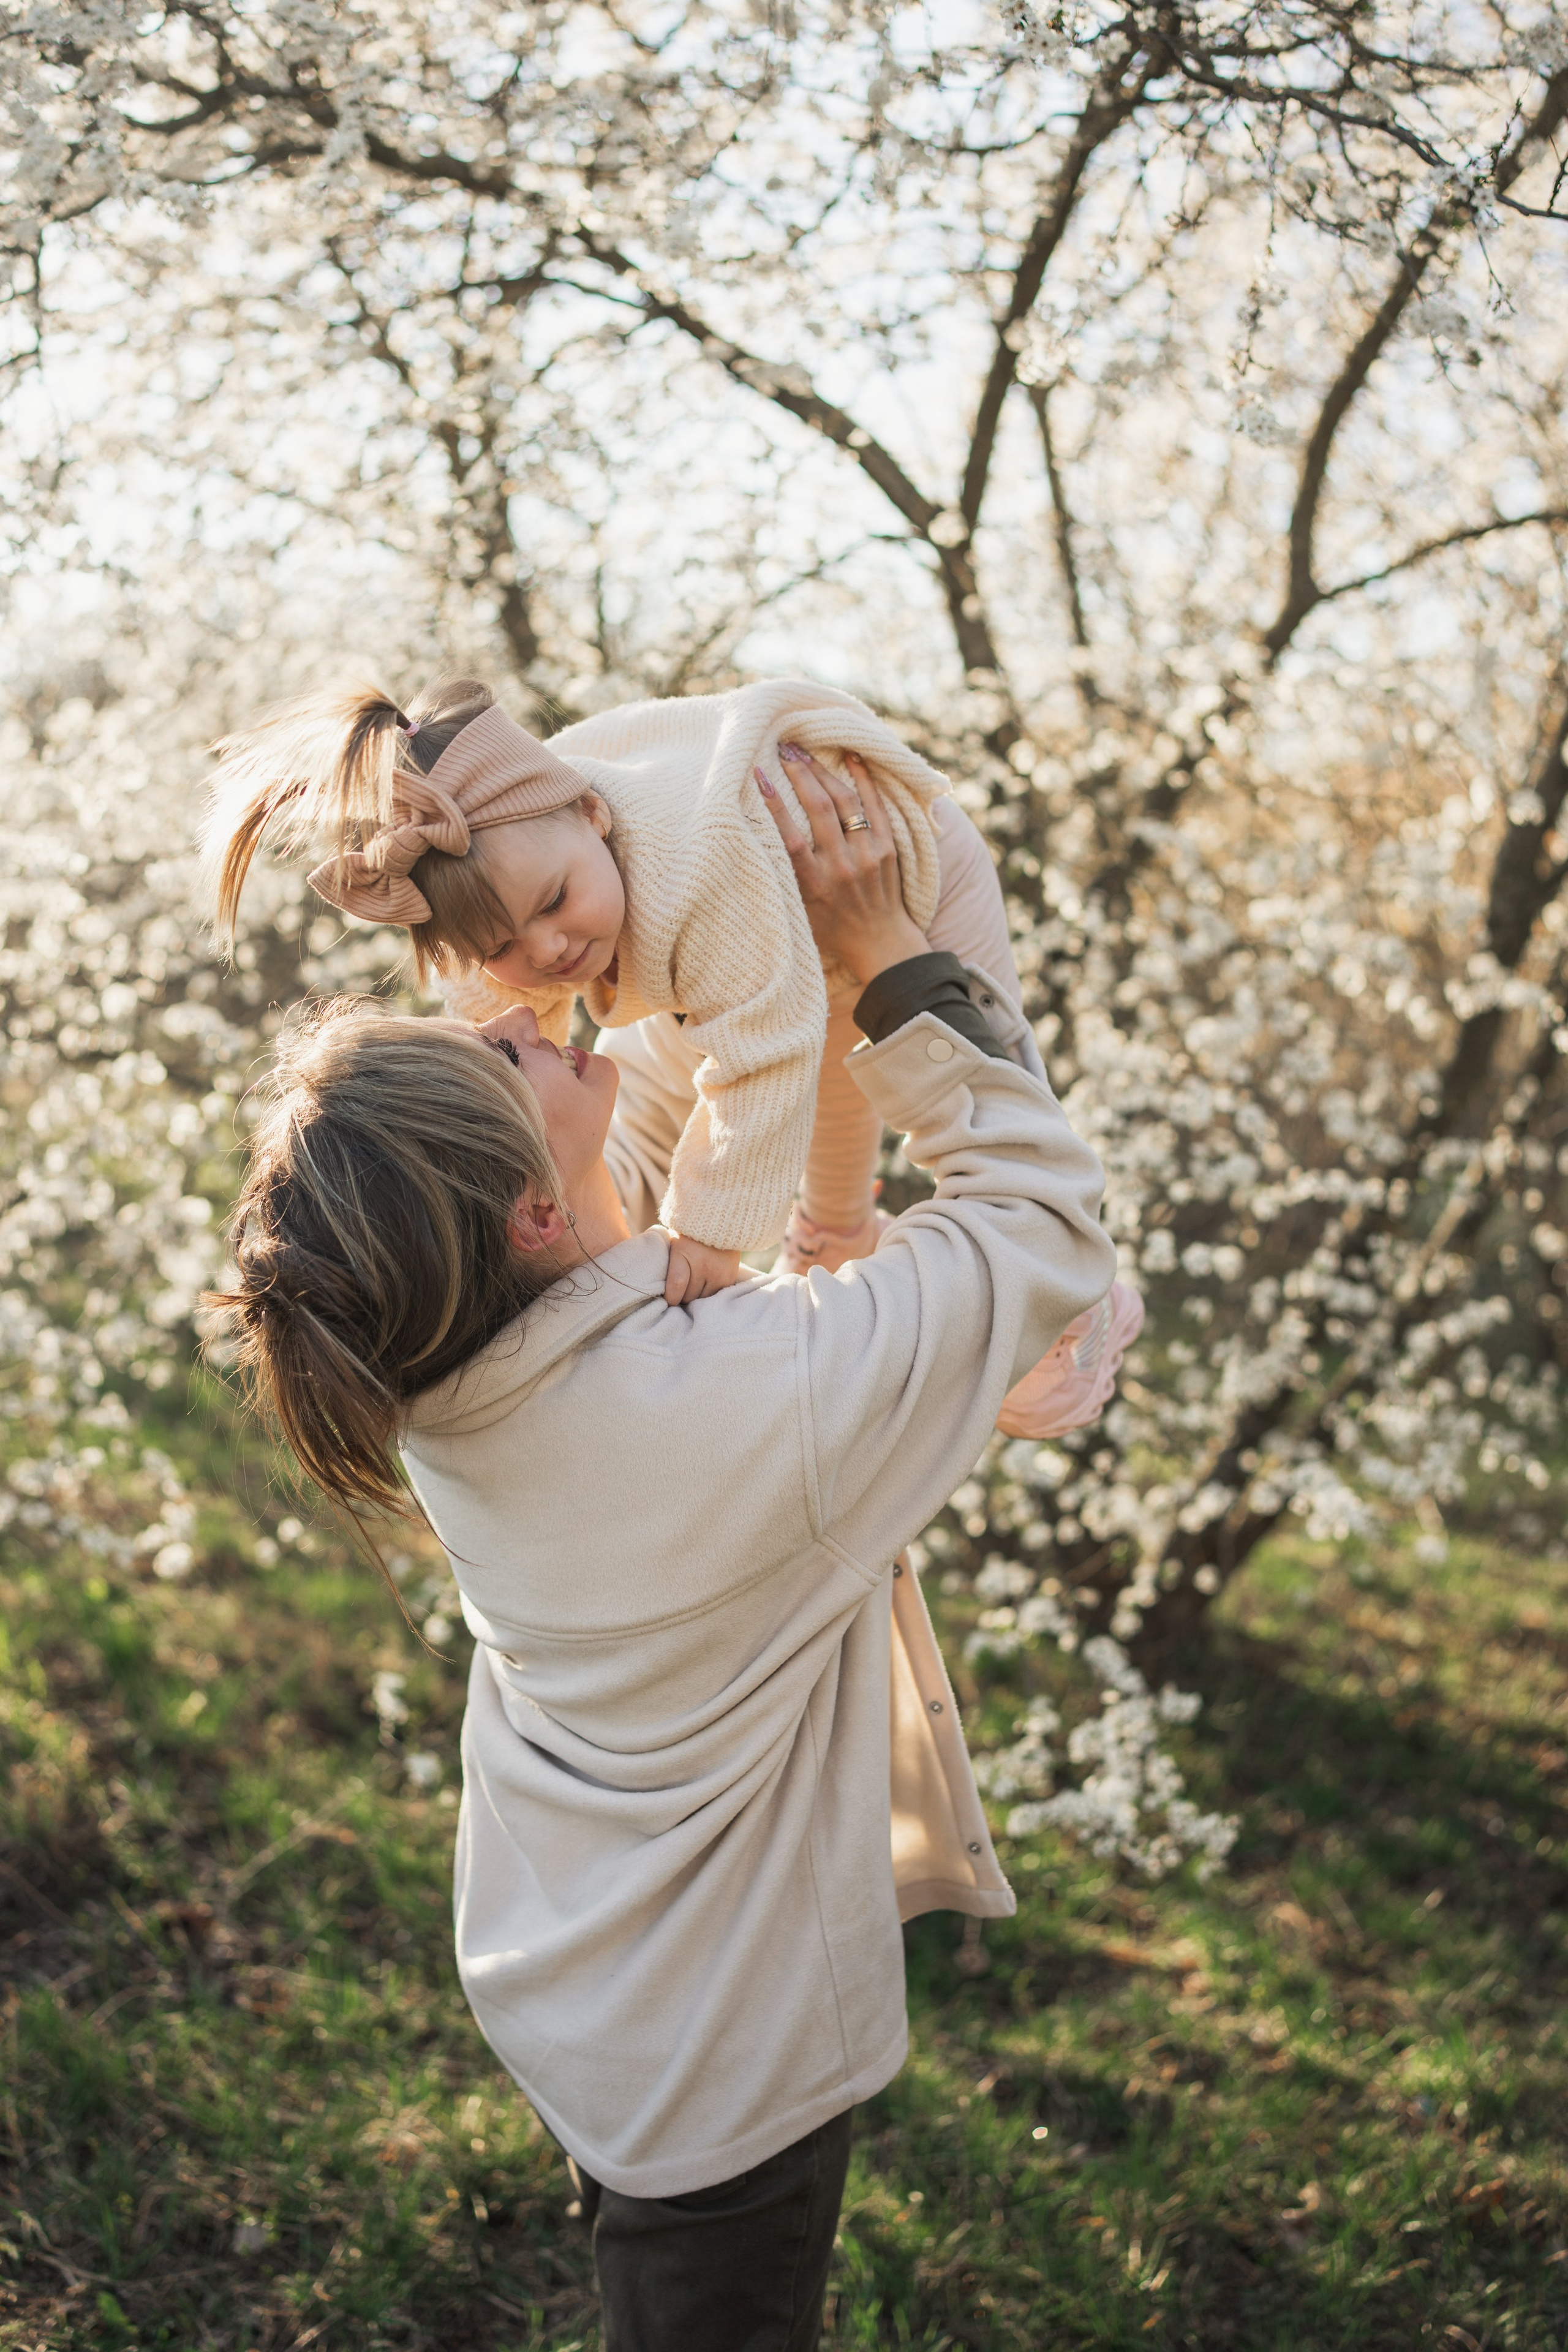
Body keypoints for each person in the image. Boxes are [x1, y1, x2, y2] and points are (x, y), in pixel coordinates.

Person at [211, 755, 1117, 2349]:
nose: (513, 1015)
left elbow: (639, 1145)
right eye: (494, 1059)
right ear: (530, 1218)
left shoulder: (449, 1371)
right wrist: (892, 959)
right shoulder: (749, 1405)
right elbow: (1041, 1226)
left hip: (586, 1981)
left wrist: (713, 914)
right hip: (719, 2082)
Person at [204, 671, 1141, 1428]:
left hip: (905, 873)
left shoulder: (696, 877)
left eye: (557, 906)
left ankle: (1078, 1288)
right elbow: (499, 1024)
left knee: (988, 1075)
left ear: (595, 817)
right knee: (829, 1118)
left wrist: (712, 1233)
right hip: (774, 950)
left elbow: (763, 1063)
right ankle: (837, 1230)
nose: (548, 959)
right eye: (503, 948)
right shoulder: (529, 884)